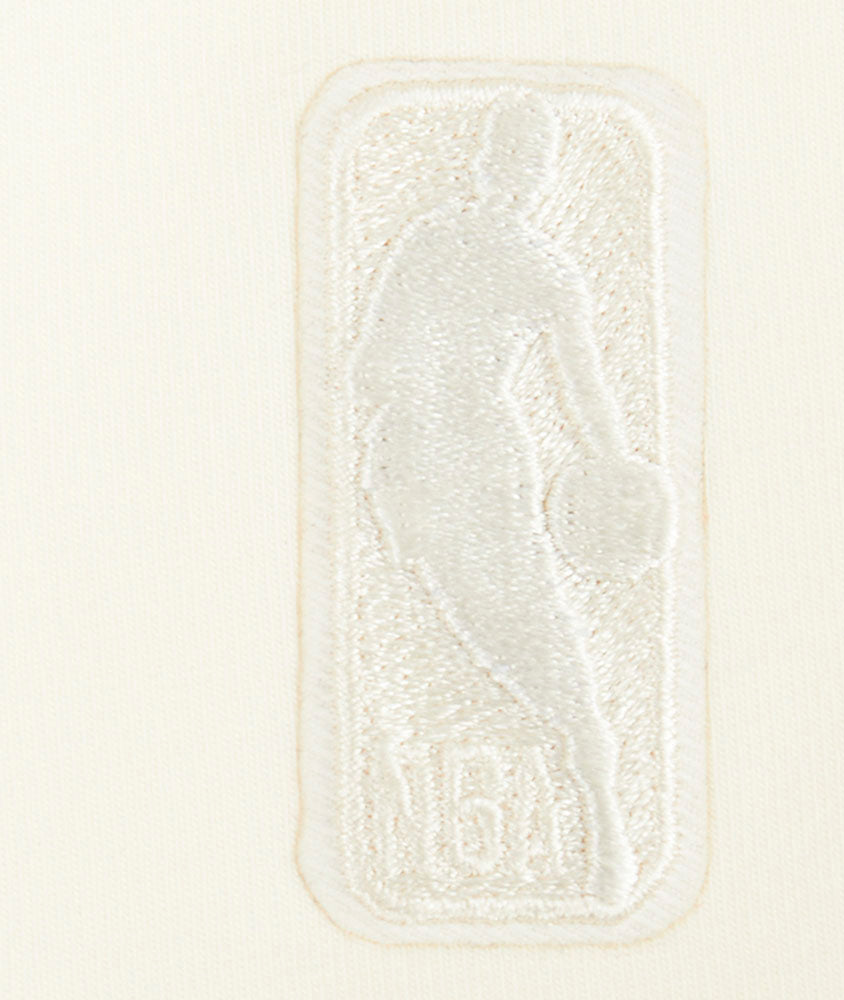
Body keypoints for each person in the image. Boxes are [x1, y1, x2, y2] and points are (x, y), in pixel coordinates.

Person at [350, 93, 661, 904]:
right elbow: (586, 403)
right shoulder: (530, 268)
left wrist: (614, 471)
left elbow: (372, 369)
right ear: (529, 171)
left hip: (435, 463)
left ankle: (600, 813)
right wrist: (615, 468)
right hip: (453, 460)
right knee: (523, 635)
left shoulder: (440, 247)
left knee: (524, 630)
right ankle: (597, 806)